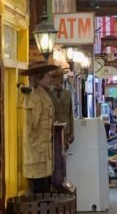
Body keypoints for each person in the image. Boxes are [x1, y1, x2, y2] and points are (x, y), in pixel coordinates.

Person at [20, 61, 58, 194]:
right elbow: (31, 126)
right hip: (36, 157)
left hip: (42, 156)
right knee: (39, 193)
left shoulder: (42, 95)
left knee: (44, 191)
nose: (51, 79)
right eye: (48, 75)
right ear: (39, 78)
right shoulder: (35, 97)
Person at [50, 68, 75, 149]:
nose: (61, 79)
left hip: (65, 132)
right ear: (53, 79)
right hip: (52, 131)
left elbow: (71, 115)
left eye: (62, 77)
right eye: (58, 77)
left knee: (63, 156)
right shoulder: (48, 94)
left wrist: (72, 132)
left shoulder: (67, 94)